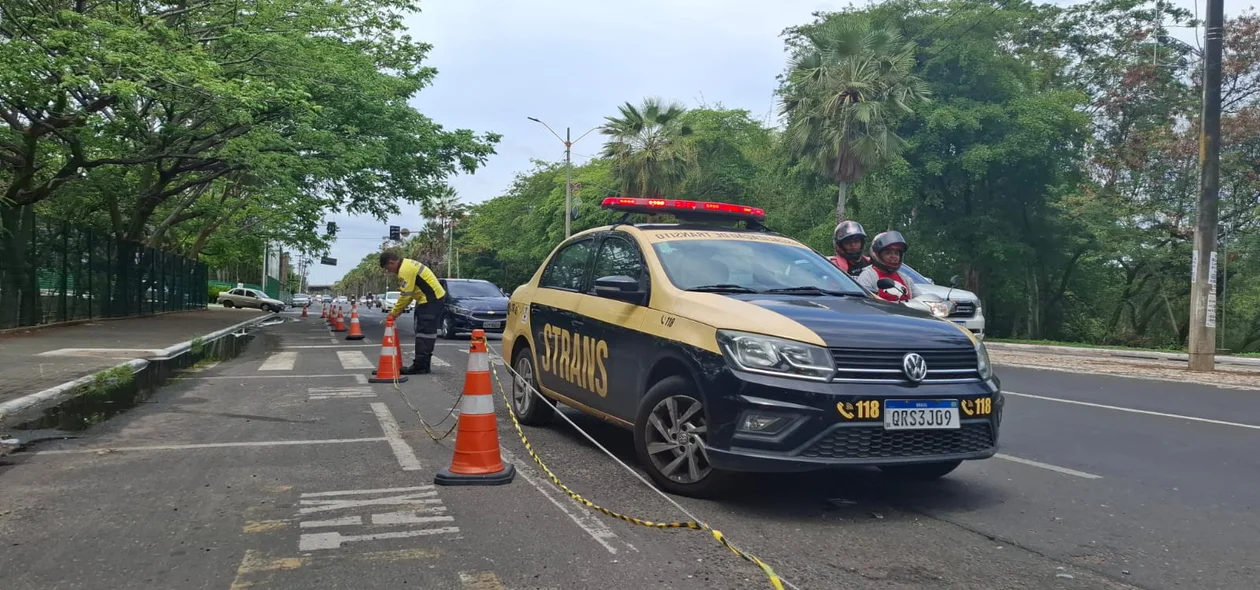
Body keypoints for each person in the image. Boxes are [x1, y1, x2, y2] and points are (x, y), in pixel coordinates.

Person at [379, 251, 447, 375]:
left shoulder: (405, 270)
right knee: (427, 334)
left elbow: (405, 295)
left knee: (424, 334)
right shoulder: (408, 264)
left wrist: (393, 314)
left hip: (430, 301)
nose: (389, 271)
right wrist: (397, 313)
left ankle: (420, 366)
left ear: (391, 262)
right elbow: (409, 294)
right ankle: (423, 365)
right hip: (432, 299)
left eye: (388, 268)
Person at [856, 231, 914, 302]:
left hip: (906, 313)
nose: (893, 256)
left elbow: (920, 298)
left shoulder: (905, 278)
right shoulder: (867, 276)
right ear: (877, 254)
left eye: (896, 253)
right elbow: (863, 302)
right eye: (888, 253)